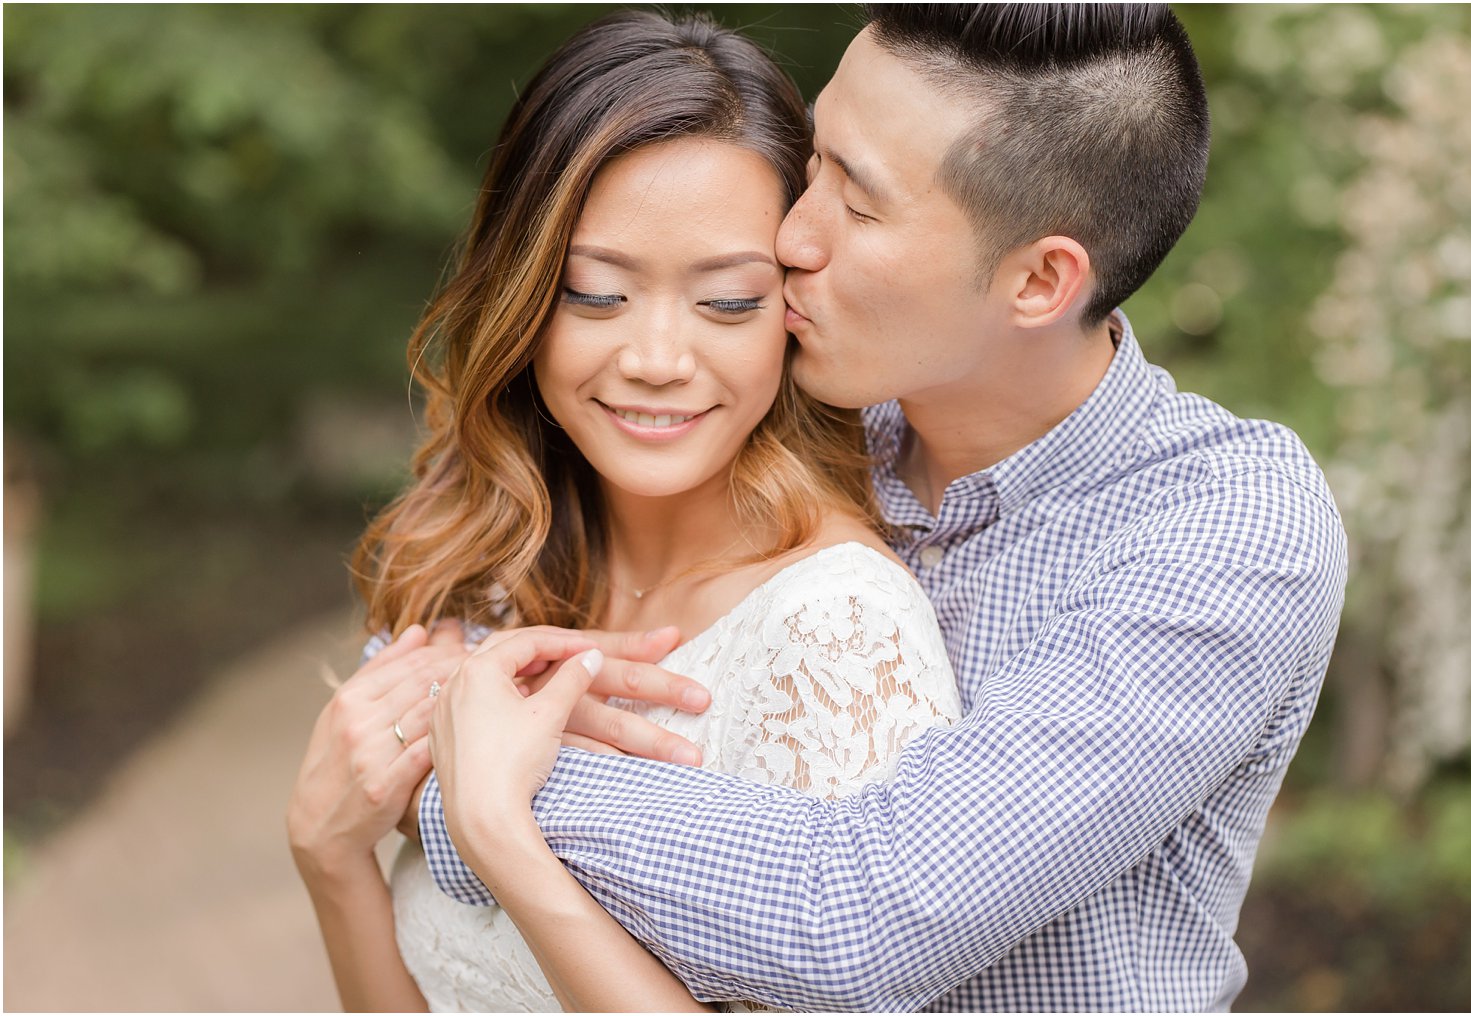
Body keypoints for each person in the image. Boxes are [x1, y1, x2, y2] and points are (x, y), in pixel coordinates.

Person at [403, 3, 1351, 1011]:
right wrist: (439, 705)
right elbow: (488, 575)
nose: (790, 236)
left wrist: (488, 778)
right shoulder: (808, 407)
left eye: (855, 206)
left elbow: (857, 915)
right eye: (812, 164)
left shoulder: (1221, 531)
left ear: (1038, 280)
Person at [284, 10, 963, 1012]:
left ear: (792, 310)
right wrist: (328, 855)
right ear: (520, 298)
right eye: (595, 295)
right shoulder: (493, 569)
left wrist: (503, 837)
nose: (653, 358)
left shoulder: (836, 638)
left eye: (726, 302)